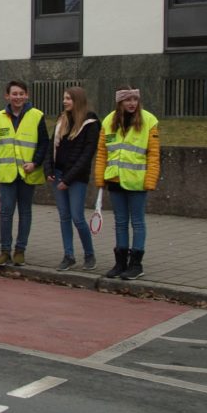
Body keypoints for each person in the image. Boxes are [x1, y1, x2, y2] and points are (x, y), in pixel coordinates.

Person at [94, 86, 160, 280]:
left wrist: (150, 180)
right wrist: (100, 179)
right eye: (127, 100)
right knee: (120, 222)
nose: (132, 103)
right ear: (119, 102)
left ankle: (136, 263)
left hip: (137, 182)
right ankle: (120, 262)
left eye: (135, 99)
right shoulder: (108, 121)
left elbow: (154, 155)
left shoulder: (149, 120)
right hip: (115, 179)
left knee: (137, 222)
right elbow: (102, 153)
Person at [0, 80, 48, 267]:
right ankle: (5, 250)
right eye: (14, 93)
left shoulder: (37, 116)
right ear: (7, 96)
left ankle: (20, 250)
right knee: (6, 213)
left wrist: (35, 163)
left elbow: (44, 143)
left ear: (27, 95)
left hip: (27, 172)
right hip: (6, 173)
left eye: (21, 93)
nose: (18, 97)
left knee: (25, 212)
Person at [44, 86, 100, 271]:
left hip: (76, 178)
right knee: (64, 217)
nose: (65, 101)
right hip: (58, 174)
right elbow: (51, 146)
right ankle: (68, 255)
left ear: (78, 100)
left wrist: (67, 179)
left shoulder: (90, 123)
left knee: (77, 217)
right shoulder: (62, 120)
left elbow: (86, 155)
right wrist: (49, 169)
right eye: (64, 98)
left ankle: (89, 254)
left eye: (69, 98)